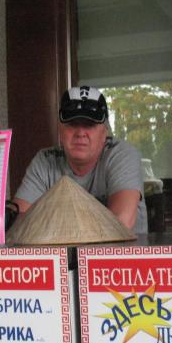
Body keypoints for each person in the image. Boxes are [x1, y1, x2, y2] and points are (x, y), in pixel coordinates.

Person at [12, 86, 148, 234]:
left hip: (120, 255)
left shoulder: (121, 154)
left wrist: (49, 226)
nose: (80, 133)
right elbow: (19, 224)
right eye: (73, 124)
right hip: (62, 255)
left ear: (105, 132)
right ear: (60, 130)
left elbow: (121, 224)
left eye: (90, 125)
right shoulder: (45, 160)